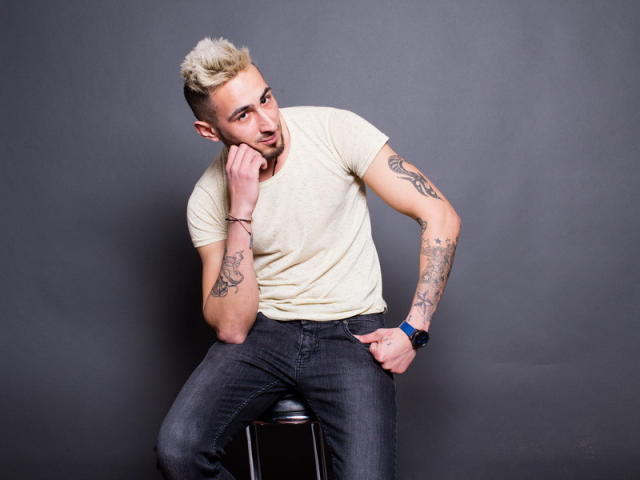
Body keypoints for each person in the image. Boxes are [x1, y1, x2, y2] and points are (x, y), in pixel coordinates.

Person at [156, 37, 461, 480]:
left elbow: (441, 216)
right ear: (209, 131)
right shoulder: (207, 199)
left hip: (351, 333)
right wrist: (241, 210)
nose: (268, 122)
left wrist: (414, 330)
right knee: (179, 451)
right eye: (243, 115)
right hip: (263, 335)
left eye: (266, 98)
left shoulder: (334, 131)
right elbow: (232, 327)